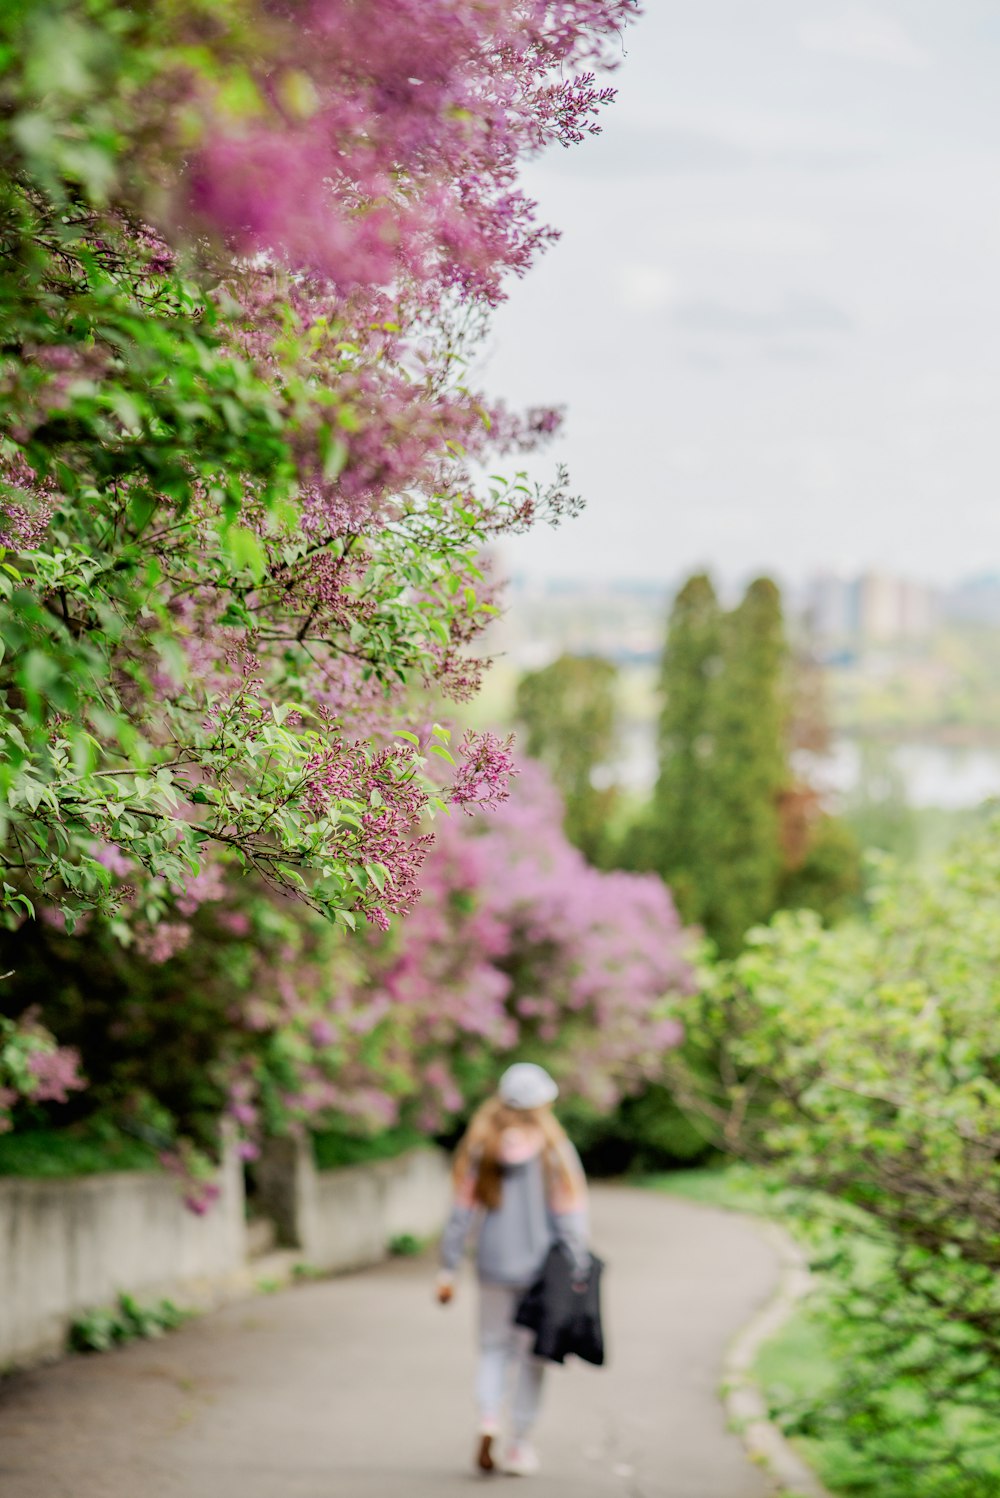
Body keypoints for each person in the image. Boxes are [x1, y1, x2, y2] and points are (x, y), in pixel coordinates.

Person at [436, 1062, 590, 1477]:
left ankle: (489, 1419)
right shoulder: (554, 1150)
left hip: (492, 1267)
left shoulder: (481, 1147)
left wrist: (447, 1271)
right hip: (541, 1272)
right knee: (532, 1358)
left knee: (492, 1348)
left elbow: (460, 1216)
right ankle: (519, 1445)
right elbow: (571, 1214)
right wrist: (578, 1265)